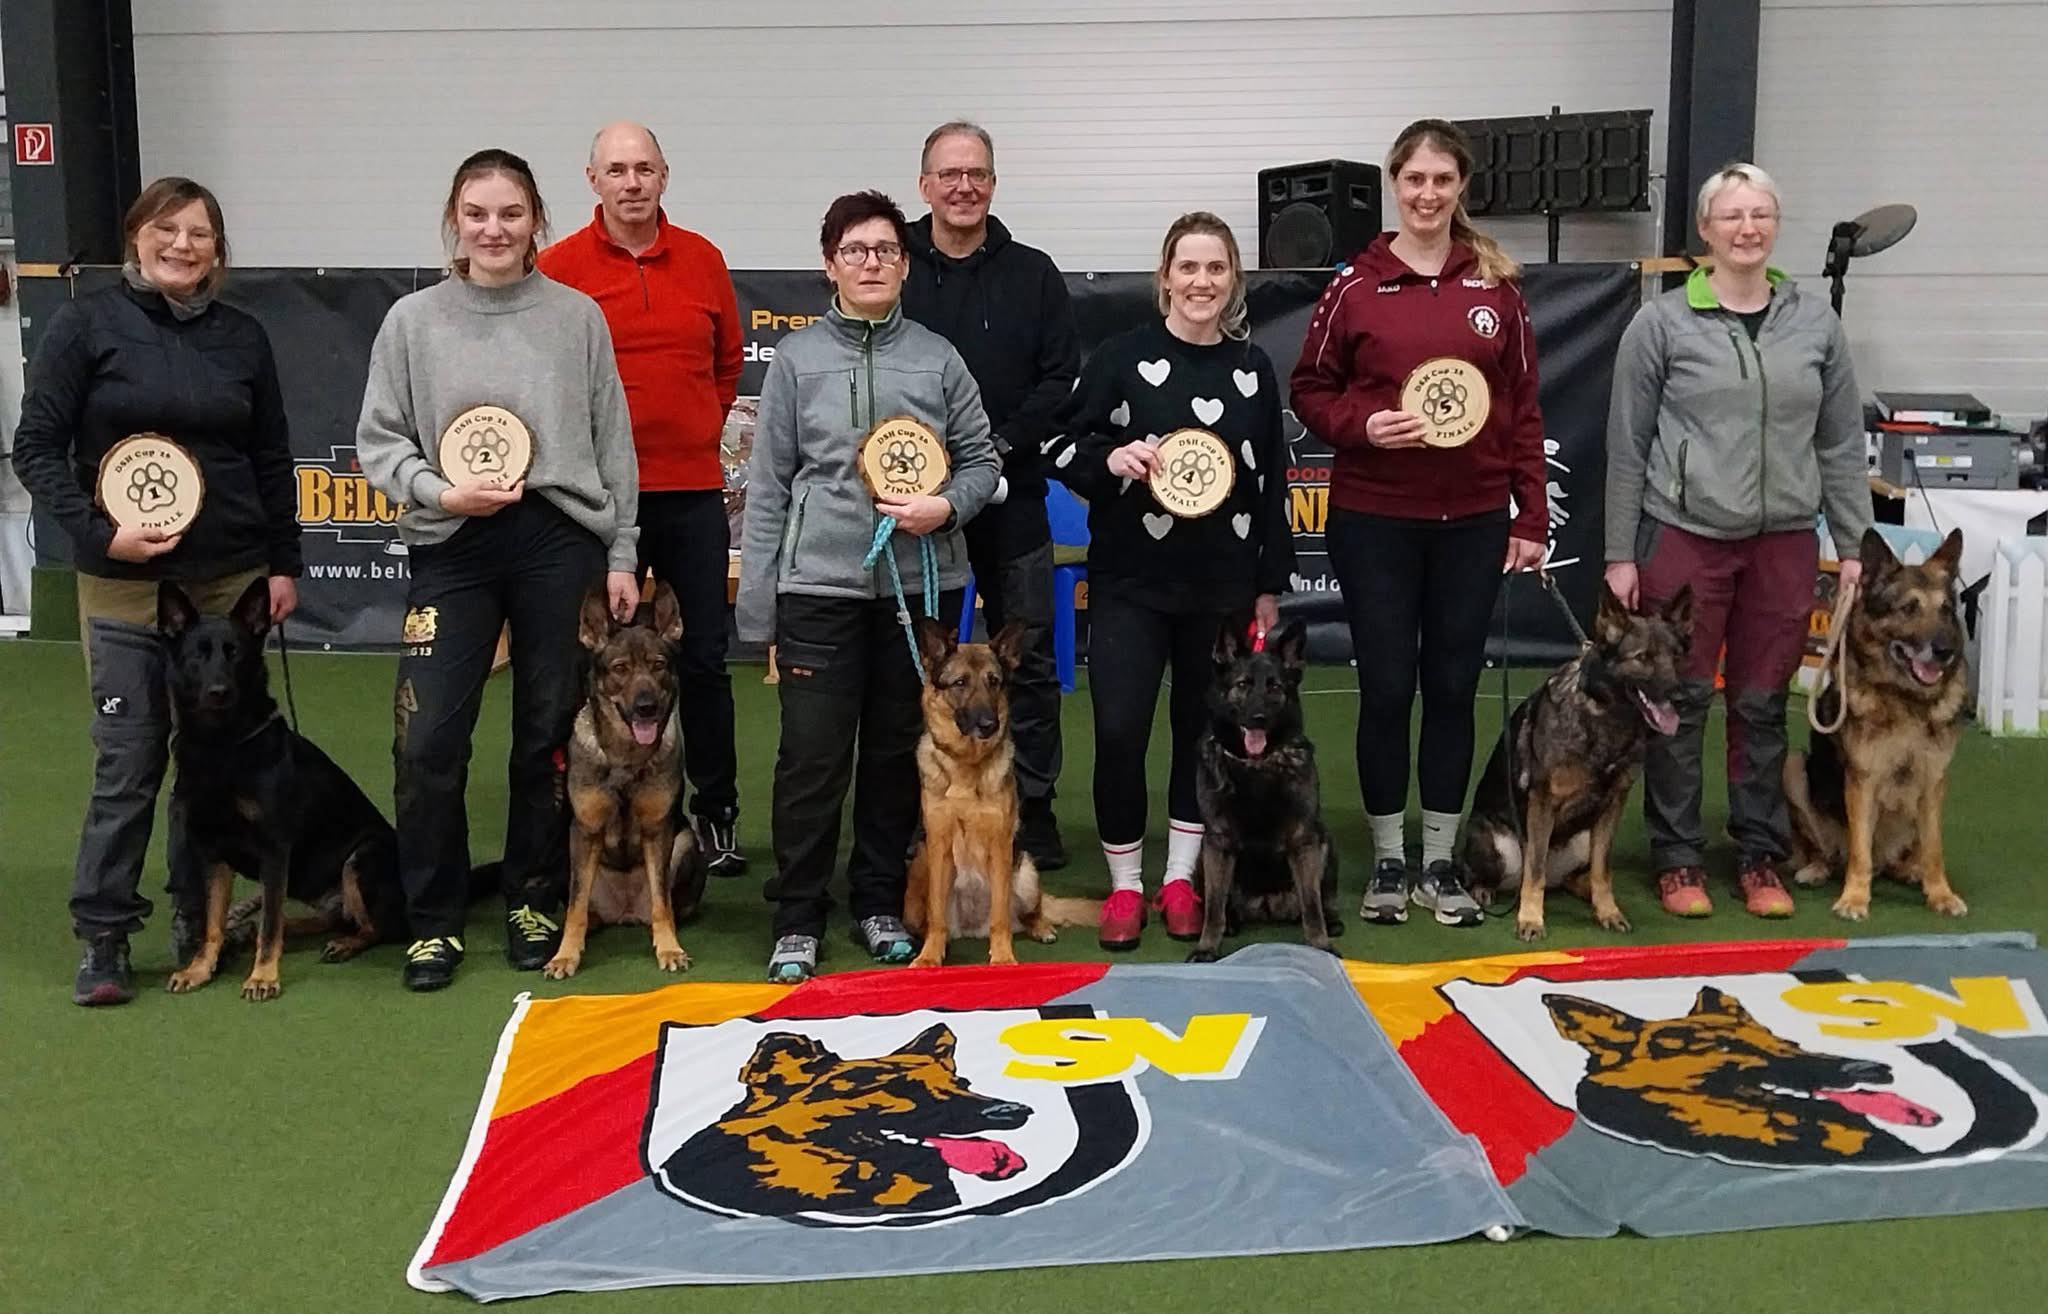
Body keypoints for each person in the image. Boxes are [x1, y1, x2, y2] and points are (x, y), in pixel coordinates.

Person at [14, 177, 302, 1006]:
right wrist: (101, 533)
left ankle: (193, 916)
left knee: (220, 763)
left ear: (218, 249)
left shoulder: (242, 337)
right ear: (135, 235)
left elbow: (272, 455)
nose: (182, 245)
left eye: (199, 233)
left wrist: (283, 563)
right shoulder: (85, 325)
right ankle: (104, 935)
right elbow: (36, 448)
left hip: (230, 582)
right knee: (131, 759)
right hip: (127, 588)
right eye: (166, 229)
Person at [357, 149, 640, 992]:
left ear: (536, 221)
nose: (493, 229)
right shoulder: (412, 321)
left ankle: (532, 898)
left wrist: (621, 552)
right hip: (452, 539)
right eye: (476, 214)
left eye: (510, 213)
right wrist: (438, 490)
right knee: (426, 739)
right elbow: (380, 439)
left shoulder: (577, 318)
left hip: (558, 538)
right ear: (454, 221)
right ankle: (433, 920)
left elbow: (613, 443)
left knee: (547, 735)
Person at [1290, 118, 1547, 930]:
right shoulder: (1354, 287)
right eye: (1414, 180)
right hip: (1375, 520)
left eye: (1442, 180)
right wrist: (1364, 425)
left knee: (1452, 687)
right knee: (1388, 688)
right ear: (1394, 185)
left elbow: (1524, 410)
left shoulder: (1496, 287)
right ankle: (1388, 860)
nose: (1427, 194)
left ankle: (1439, 862)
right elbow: (1310, 389)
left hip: (1472, 521)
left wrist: (1531, 514)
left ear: (1461, 187)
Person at [736, 190, 1000, 983]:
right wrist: (760, 602)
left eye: (886, 250)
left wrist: (944, 507)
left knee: (893, 755)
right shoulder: (796, 361)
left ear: (905, 264)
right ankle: (797, 917)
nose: (872, 262)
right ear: (830, 266)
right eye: (855, 250)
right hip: (817, 589)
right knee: (811, 759)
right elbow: (768, 484)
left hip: (917, 593)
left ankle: (880, 902)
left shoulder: (939, 358)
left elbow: (982, 462)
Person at [1605, 162, 1871, 920]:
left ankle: (1759, 854)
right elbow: (1627, 445)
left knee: (1761, 703)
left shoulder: (1814, 324)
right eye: (1732, 216)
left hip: (1784, 541)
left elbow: (1839, 442)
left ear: (1775, 225)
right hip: (1685, 537)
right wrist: (1621, 552)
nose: (1747, 229)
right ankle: (1677, 858)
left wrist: (1854, 543)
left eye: (1760, 215)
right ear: (1705, 229)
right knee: (1680, 700)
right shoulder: (1660, 324)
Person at [1045, 212, 1294, 951]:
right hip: (1131, 579)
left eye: (1216, 268)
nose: (1201, 282)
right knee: (1120, 730)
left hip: (1222, 585)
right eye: (1188, 267)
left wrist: (1268, 584)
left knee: (1205, 732)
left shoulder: (1253, 368)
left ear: (1234, 279)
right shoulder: (1121, 358)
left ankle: (1182, 878)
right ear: (1165, 278)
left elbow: (1270, 484)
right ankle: (1126, 885)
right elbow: (1060, 443)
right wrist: (1111, 459)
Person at [538, 121, 749, 879]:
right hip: (595, 503)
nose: (632, 182)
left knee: (703, 660)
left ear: (664, 176)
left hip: (690, 493)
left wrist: (692, 430)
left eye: (644, 169)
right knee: (590, 660)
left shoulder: (703, 259)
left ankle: (714, 815)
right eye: (617, 169)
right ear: (592, 179)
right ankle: (577, 812)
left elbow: (727, 365)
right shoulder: (557, 267)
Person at [901, 120, 1081, 871]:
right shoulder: (896, 264)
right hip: (922, 507)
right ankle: (918, 815)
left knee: (1026, 662)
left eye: (976, 174)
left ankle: (1030, 809)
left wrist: (996, 453)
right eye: (949, 174)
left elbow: (1060, 380)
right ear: (925, 185)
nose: (963, 186)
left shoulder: (1034, 273)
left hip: (1015, 495)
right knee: (922, 663)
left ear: (994, 184)